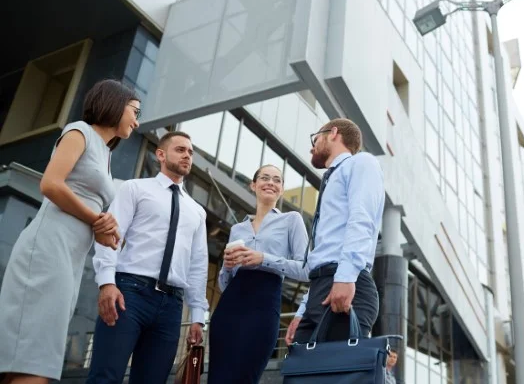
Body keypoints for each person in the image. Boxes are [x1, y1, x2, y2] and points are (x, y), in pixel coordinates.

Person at [0, 79, 140, 384]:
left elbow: (90, 207)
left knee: (37, 352)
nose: (137, 120)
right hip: (48, 248)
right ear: (115, 104)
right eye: (134, 111)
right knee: (33, 354)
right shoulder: (79, 131)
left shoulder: (106, 155)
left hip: (70, 257)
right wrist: (95, 219)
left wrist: (104, 228)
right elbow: (51, 184)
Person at [86, 131, 209, 384]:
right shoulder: (135, 188)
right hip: (129, 294)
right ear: (161, 155)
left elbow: (197, 265)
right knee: (105, 377)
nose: (187, 155)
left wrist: (197, 316)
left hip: (172, 307)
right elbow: (111, 236)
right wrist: (107, 282)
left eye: (190, 152)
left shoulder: (197, 211)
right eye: (180, 150)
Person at [285, 118, 385, 345]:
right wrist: (303, 310)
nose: (312, 146)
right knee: (299, 375)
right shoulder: (331, 180)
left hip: (346, 283)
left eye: (316, 138)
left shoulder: (361, 163)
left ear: (333, 133)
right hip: (322, 288)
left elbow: (362, 220)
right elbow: (325, 253)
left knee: (336, 372)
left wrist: (346, 277)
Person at [208, 164, 310, 384]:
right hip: (229, 309)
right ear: (253, 185)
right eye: (265, 178)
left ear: (281, 189)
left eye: (277, 180)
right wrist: (226, 266)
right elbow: (225, 285)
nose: (271, 183)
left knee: (246, 376)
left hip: (263, 308)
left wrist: (264, 258)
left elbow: (306, 270)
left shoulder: (292, 220)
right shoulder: (238, 229)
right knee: (218, 378)